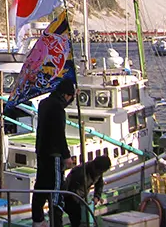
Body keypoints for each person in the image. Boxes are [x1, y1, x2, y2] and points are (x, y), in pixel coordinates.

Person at [32, 78, 76, 227]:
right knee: (56, 190)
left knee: (41, 185)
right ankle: (56, 222)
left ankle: (38, 219)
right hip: (54, 154)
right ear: (66, 95)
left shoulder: (43, 104)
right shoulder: (58, 109)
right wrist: (66, 155)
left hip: (41, 151)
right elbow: (59, 134)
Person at [64, 155, 112, 227]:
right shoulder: (80, 172)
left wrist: (97, 196)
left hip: (81, 196)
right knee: (77, 220)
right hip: (71, 197)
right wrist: (80, 203)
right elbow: (73, 189)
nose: (101, 173)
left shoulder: (98, 171)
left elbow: (99, 183)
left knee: (83, 219)